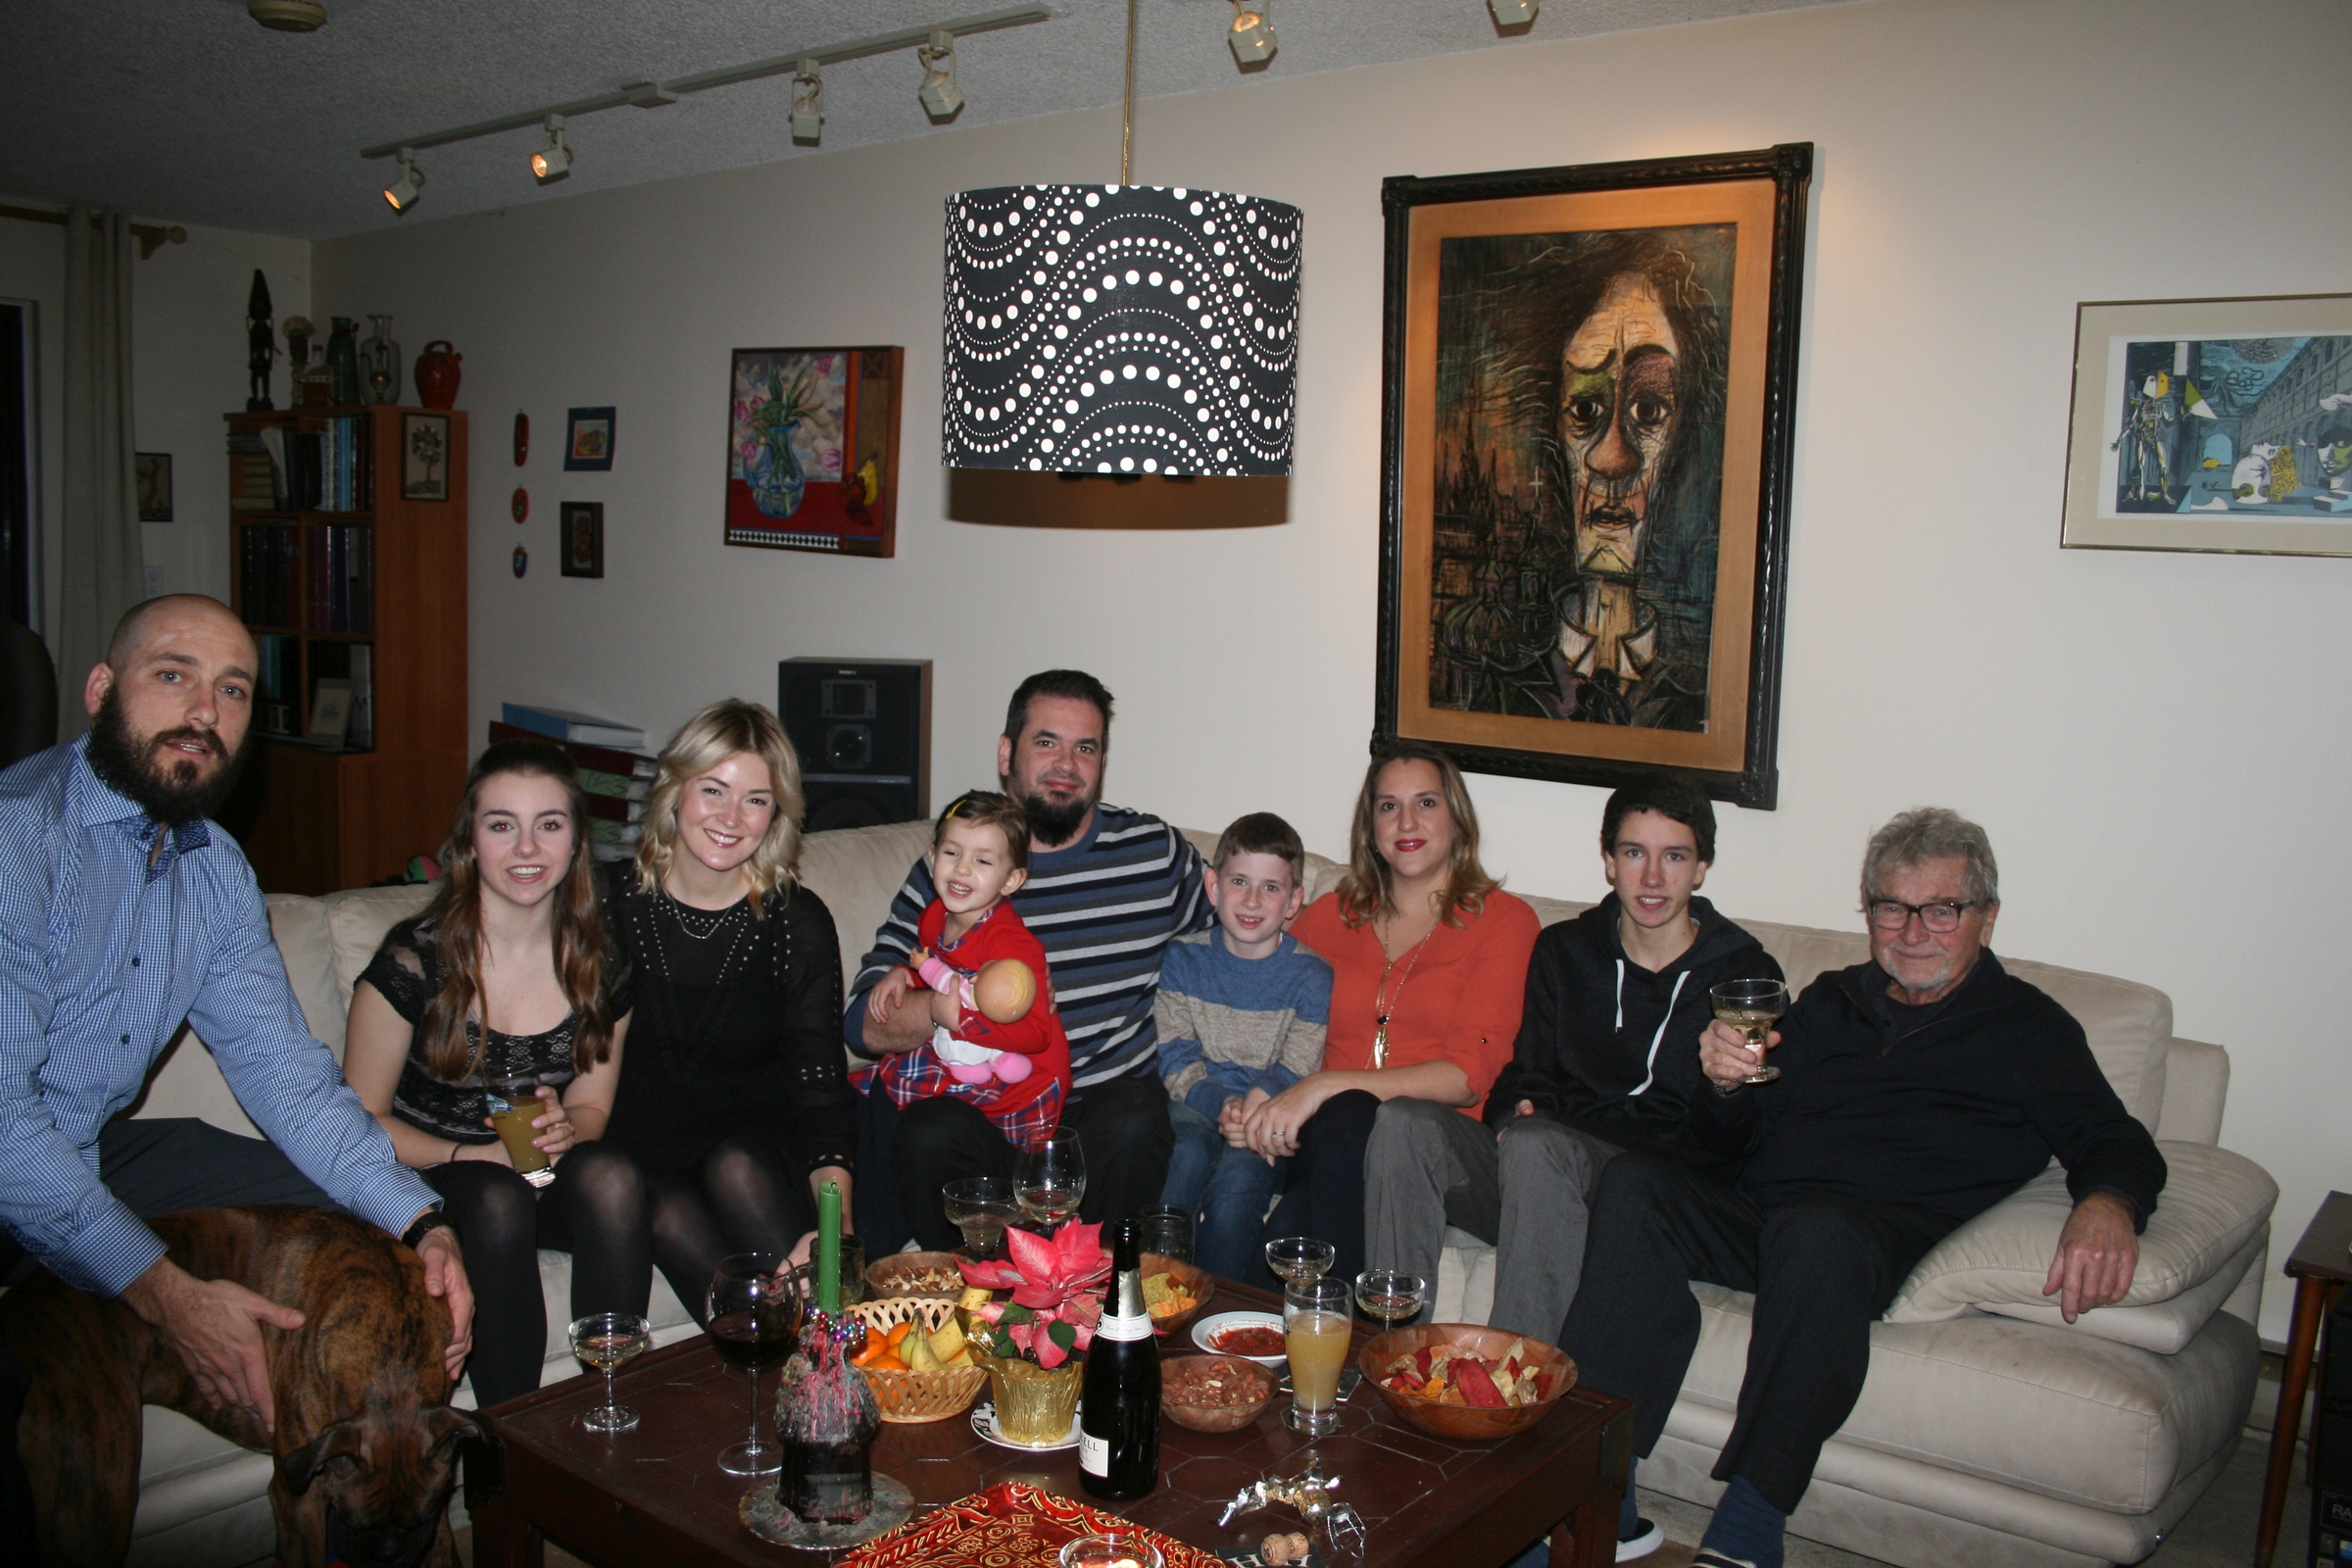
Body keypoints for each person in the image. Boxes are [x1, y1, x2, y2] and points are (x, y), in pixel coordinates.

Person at [1561, 808, 2166, 1568]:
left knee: (1818, 1228)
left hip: (1875, 1236)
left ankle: (1748, 1528)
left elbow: (2114, 1138)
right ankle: (1595, 1491)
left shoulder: (2029, 1030)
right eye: (1891, 908)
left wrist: (2109, 1201)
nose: (1912, 932)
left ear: (1986, 917)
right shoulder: (1830, 1001)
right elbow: (1731, 1143)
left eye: (1941, 910)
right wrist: (1724, 1088)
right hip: (1767, 1216)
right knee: (1635, 1182)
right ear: (1869, 912)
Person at [0, 596, 470, 1490]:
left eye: (233, 690)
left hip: (92, 1146)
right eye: (172, 676)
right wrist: (163, 1288)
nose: (203, 712)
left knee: (365, 1232)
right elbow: (4, 1125)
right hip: (12, 1150)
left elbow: (288, 1079)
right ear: (100, 691)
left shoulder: (214, 869)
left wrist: (422, 1223)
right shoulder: (16, 842)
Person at [1367, 775, 1779, 1350]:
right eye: (1634, 854)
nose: (1652, 878)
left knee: (1540, 1146)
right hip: (1543, 1177)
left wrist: (1724, 1089)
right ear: (1609, 862)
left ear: (1701, 868)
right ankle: (1392, 1351)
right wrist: (1513, 1112)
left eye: (1674, 857)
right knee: (1403, 1121)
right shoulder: (1566, 950)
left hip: (1648, 1200)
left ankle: (1513, 1380)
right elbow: (1525, 1073)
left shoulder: (1743, 977)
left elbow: (1737, 1147)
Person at [847, 670, 1210, 1254]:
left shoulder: (1153, 856)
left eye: (1085, 748)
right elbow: (863, 1025)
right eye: (1046, 742)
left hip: (1100, 1118)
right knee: (928, 1133)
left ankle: (1094, 1292)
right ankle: (981, 1298)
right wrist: (952, 1005)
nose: (1066, 764)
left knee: (1137, 1117)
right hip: (984, 1114)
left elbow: (1246, 920)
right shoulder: (955, 871)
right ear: (1005, 754)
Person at [341, 739, 639, 1408]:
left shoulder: (601, 963)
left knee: (613, 1175)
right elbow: (355, 1125)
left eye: (549, 825)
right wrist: (471, 1155)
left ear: (575, 843)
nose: (527, 848)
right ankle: (512, 1434)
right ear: (469, 842)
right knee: (498, 1196)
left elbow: (592, 1107)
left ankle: (611, 1407)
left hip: (532, 1171)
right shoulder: (414, 962)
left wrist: (567, 1129)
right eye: (502, 825)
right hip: (430, 1176)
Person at [602, 700, 856, 1322]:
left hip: (751, 1148)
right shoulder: (607, 905)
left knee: (735, 1166)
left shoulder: (796, 921)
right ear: (675, 791)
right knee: (661, 1205)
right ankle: (773, 1352)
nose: (730, 817)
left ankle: (829, 1341)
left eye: (755, 800)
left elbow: (820, 1086)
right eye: (713, 789)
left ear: (776, 814)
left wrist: (836, 1221)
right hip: (638, 1152)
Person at [1267, 743, 1541, 1289]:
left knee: (1353, 1117)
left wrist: (1324, 1085)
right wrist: (1248, 1096)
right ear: (1370, 828)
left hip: (1428, 1148)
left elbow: (1466, 1078)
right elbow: (1261, 1017)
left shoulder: (1504, 922)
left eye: (1426, 803)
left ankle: (1265, 1313)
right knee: (1330, 1129)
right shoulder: (1328, 916)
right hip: (1319, 1137)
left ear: (1457, 818)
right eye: (1388, 806)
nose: (1407, 822)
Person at [1152, 812, 1333, 1282]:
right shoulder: (1183, 958)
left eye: (1271, 887)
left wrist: (1256, 1103)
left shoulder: (1312, 976)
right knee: (1185, 1154)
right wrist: (1223, 1104)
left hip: (1265, 1116)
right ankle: (1154, 1291)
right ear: (1214, 887)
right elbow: (1175, 1058)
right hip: (1194, 1102)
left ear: (1294, 901)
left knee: (1239, 1182)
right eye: (1239, 882)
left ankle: (1221, 1306)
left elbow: (1299, 1065)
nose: (1252, 901)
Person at [859, 792, 1073, 1177]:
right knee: (874, 1091)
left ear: (1012, 880)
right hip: (968, 1055)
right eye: (951, 853)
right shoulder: (934, 915)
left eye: (982, 860)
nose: (961, 869)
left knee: (903, 1106)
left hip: (1021, 1080)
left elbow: (1037, 1035)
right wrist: (903, 973)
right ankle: (873, 1208)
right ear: (932, 857)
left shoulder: (1013, 945)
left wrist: (962, 1021)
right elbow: (935, 967)